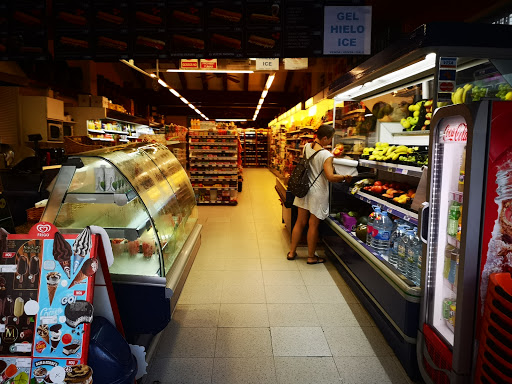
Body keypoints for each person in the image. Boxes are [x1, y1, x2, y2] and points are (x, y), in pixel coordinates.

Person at [286, 124, 352, 264]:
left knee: (300, 221)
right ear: (324, 138)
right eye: (330, 139)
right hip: (317, 192)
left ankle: (292, 252)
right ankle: (311, 257)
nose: (330, 141)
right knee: (313, 225)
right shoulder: (326, 155)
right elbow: (330, 177)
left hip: (303, 189)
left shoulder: (307, 147)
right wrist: (344, 176)